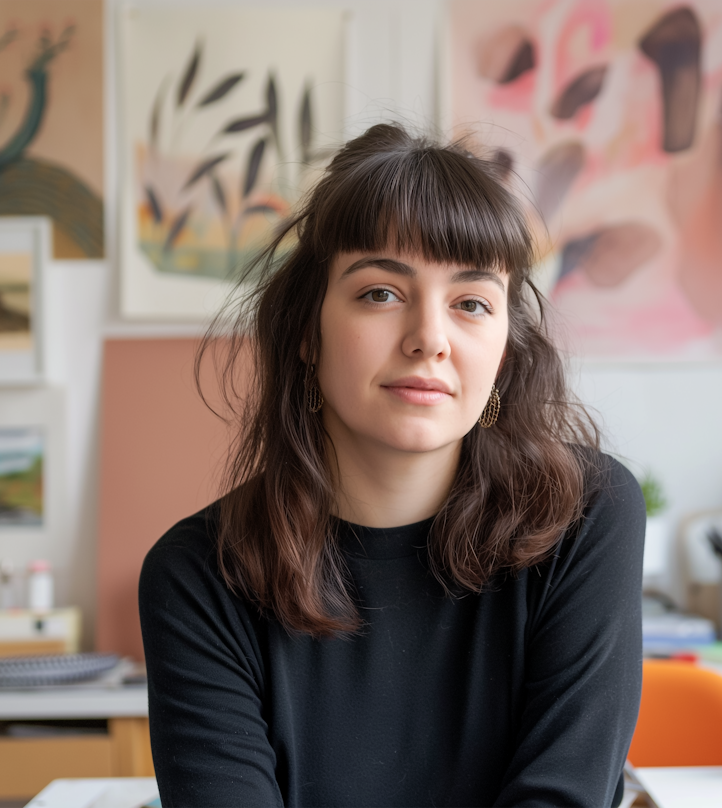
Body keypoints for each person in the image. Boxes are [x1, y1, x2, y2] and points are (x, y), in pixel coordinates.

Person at [138, 123, 645, 808]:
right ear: (307, 336)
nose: (429, 339)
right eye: (381, 292)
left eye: (470, 303)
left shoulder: (586, 516)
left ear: (503, 351)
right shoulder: (200, 575)